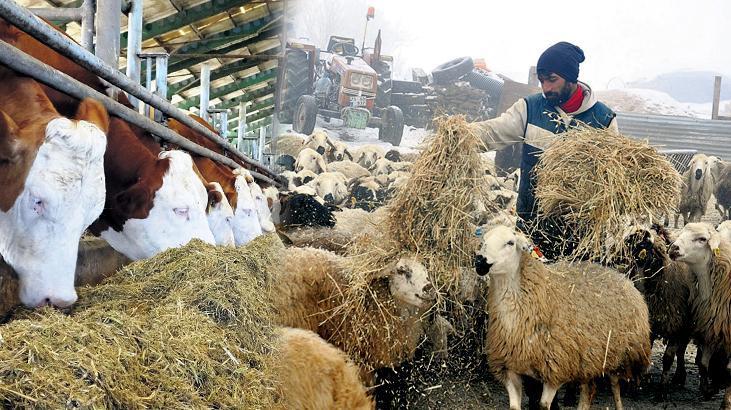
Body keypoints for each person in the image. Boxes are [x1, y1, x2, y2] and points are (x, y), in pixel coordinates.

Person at [472, 41, 618, 260]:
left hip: (578, 237)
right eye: (542, 81)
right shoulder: (530, 108)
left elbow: (611, 178)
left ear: (571, 77)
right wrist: (462, 135)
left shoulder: (603, 120)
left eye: (552, 80)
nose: (546, 88)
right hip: (530, 229)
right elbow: (495, 131)